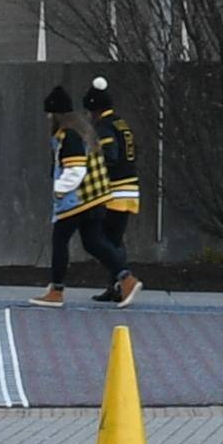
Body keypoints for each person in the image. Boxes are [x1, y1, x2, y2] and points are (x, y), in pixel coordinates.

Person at [35, 86, 107, 306]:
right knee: (93, 242)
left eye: (50, 113)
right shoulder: (79, 132)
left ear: (57, 114)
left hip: (73, 200)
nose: (48, 117)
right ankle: (124, 276)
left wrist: (60, 189)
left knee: (60, 241)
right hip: (87, 198)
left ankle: (56, 290)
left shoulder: (69, 136)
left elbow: (75, 168)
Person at [78, 75, 142, 305]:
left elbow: (110, 155)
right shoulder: (121, 124)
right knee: (114, 240)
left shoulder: (103, 127)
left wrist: (91, 167)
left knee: (101, 240)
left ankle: (124, 280)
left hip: (116, 191)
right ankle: (116, 287)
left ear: (94, 110)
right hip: (130, 188)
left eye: (88, 111)